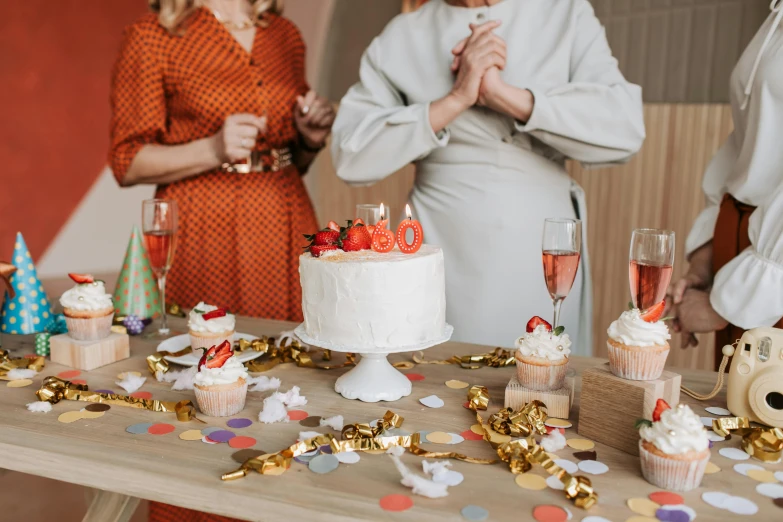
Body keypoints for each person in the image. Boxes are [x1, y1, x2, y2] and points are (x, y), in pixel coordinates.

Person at [331, 0, 645, 352]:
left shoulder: (565, 12)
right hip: (441, 241)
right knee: (437, 381)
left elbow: (626, 131)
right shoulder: (403, 34)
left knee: (540, 379)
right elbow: (350, 157)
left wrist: (503, 96)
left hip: (543, 243)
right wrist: (456, 98)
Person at [110, 0, 334, 328]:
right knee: (210, 354)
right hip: (204, 225)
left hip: (286, 218)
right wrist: (212, 149)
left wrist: (310, 139)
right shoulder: (152, 35)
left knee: (297, 351)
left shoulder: (284, 34)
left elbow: (292, 161)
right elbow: (125, 162)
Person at [668, 0, 783, 366]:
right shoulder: (775, 17)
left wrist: (731, 303)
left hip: (768, 272)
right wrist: (704, 263)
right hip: (739, 248)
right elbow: (747, 144)